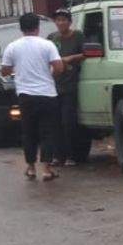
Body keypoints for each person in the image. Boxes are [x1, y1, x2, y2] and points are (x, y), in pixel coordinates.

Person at [1, 13, 65, 181]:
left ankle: (30, 167)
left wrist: (17, 70)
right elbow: (58, 68)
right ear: (37, 27)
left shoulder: (12, 47)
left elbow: (5, 70)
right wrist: (49, 74)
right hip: (47, 94)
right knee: (47, 132)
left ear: (21, 28)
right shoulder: (47, 45)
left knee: (28, 131)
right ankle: (46, 169)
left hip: (25, 95)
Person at [47, 8, 85, 166]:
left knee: (68, 122)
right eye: (58, 20)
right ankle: (57, 155)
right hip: (53, 85)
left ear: (69, 21)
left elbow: (86, 53)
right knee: (54, 122)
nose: (61, 22)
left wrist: (70, 58)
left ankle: (71, 155)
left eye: (64, 19)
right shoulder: (51, 38)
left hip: (70, 84)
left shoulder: (78, 36)